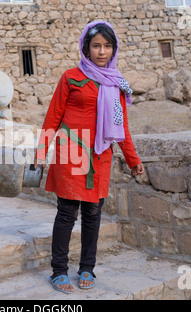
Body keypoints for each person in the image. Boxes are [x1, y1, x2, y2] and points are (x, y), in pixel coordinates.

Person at [34, 20, 144, 294]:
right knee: (66, 213)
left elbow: (121, 128)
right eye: (96, 46)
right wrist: (41, 150)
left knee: (93, 214)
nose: (102, 52)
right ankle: (59, 271)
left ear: (113, 49)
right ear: (86, 48)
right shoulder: (71, 77)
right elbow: (53, 116)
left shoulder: (117, 84)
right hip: (70, 152)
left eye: (107, 46)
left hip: (100, 156)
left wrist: (133, 160)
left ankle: (87, 268)